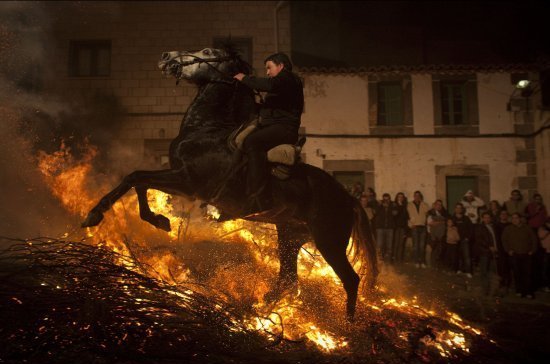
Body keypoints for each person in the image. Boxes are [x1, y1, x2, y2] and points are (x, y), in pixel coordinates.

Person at [233, 52, 304, 213]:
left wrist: (245, 78)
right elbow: (269, 109)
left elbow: (268, 85)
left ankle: (256, 193)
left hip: (284, 129)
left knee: (253, 141)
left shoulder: (288, 78)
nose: (267, 72)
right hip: (274, 127)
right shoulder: (282, 86)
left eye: (269, 67)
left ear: (281, 66)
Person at [502, 212, 538, 298]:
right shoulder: (508, 229)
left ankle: (528, 291)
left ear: (520, 219)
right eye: (513, 218)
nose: (514, 220)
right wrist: (508, 250)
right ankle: (519, 290)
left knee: (528, 273)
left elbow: (534, 240)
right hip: (514, 254)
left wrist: (532, 250)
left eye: (516, 218)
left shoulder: (527, 228)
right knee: (517, 273)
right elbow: (504, 240)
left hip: (526, 254)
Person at [475, 212, 499, 296]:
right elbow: (479, 240)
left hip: (493, 252)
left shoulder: (493, 227)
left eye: (488, 217)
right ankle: (485, 290)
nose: (487, 219)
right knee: (484, 271)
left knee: (492, 272)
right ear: (482, 218)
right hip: (484, 252)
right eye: (485, 217)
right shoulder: (480, 228)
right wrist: (489, 247)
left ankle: (492, 290)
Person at [407, 191, 430, 268]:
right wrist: (410, 225)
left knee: (422, 246)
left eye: (418, 196)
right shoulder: (409, 205)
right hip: (414, 227)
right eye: (416, 195)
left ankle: (422, 261)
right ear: (414, 196)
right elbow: (407, 216)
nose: (417, 197)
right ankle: (416, 261)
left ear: (420, 196)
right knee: (416, 246)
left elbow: (427, 215)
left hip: (422, 227)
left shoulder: (425, 205)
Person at [452, 203, 474, 278]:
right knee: (458, 256)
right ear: (455, 209)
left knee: (466, 255)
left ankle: (468, 271)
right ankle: (459, 269)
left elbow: (471, 229)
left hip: (464, 240)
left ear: (462, 209)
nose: (458, 209)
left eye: (460, 208)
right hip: (455, 240)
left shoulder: (466, 218)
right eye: (457, 208)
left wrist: (468, 237)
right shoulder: (452, 218)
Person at [374, 193, 397, 262]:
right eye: (385, 199)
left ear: (389, 199)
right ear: (383, 199)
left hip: (390, 228)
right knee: (379, 245)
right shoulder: (379, 205)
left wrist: (389, 207)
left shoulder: (393, 205)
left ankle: (388, 261)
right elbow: (375, 212)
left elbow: (395, 213)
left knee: (389, 246)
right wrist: (381, 205)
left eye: (387, 199)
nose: (386, 201)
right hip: (380, 228)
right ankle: (379, 260)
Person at [427, 200, 449, 269]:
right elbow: (431, 223)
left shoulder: (443, 213)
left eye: (440, 205)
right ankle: (432, 265)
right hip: (433, 234)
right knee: (434, 249)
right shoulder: (431, 213)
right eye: (438, 204)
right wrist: (441, 222)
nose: (439, 206)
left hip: (441, 235)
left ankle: (438, 265)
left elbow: (446, 222)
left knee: (440, 249)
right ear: (434, 205)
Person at [495, 210, 513, 295]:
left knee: (508, 266)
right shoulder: (496, 226)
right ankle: (501, 283)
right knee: (501, 266)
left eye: (505, 214)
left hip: (509, 248)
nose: (504, 216)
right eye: (502, 214)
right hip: (500, 249)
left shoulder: (510, 225)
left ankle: (508, 283)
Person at [392, 192, 409, 264]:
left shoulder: (405, 206)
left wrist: (406, 229)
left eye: (402, 197)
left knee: (401, 244)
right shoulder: (394, 205)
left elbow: (406, 218)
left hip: (402, 227)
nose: (400, 198)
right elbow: (394, 215)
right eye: (399, 197)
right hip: (396, 227)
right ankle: (395, 258)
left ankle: (399, 259)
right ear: (397, 197)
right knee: (396, 243)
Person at [538, 218, 550, 292]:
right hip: (546, 252)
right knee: (546, 270)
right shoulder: (542, 229)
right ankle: (546, 285)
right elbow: (541, 238)